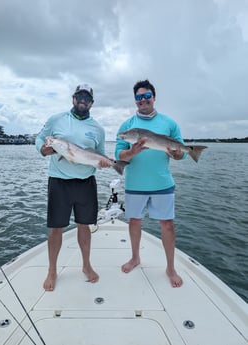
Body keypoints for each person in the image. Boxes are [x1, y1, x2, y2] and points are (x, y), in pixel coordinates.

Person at [36, 84, 110, 291]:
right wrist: (42, 149)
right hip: (59, 181)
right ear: (73, 99)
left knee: (84, 225)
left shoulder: (98, 129)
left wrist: (103, 163)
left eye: (87, 98)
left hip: (85, 182)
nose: (83, 100)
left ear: (92, 103)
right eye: (80, 96)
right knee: (56, 227)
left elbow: (100, 153)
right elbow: (40, 139)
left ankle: (86, 265)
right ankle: (52, 270)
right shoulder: (56, 119)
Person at [115, 79, 184, 288]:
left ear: (153, 97)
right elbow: (119, 155)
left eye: (147, 96)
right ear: (135, 101)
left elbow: (180, 154)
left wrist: (179, 153)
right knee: (134, 222)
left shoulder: (169, 123)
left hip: (162, 183)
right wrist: (131, 151)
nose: (143, 100)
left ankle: (170, 267)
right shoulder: (127, 126)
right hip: (135, 183)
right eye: (139, 97)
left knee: (168, 225)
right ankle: (135, 258)